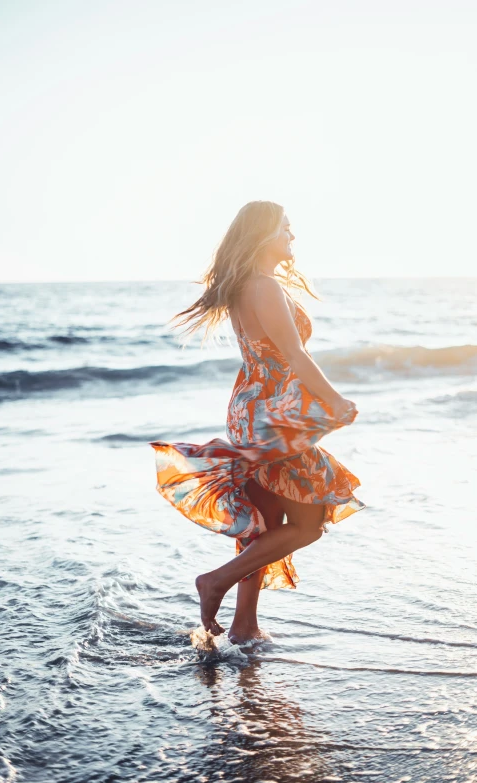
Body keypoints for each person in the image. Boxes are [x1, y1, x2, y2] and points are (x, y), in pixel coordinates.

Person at [150, 200, 365, 642]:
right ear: (265, 234)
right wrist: (335, 400)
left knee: (263, 523)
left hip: (253, 408)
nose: (292, 236)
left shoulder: (249, 285)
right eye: (286, 228)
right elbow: (294, 355)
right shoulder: (263, 286)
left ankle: (244, 626)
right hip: (271, 415)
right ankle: (215, 581)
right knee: (307, 525)